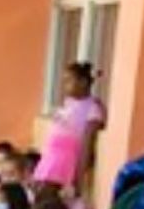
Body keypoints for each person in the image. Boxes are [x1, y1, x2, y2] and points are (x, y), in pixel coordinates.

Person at [33, 62, 105, 193]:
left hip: (65, 161)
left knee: (49, 195)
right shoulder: (68, 104)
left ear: (83, 82)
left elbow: (87, 144)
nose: (64, 85)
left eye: (68, 81)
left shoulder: (92, 109)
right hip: (51, 157)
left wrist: (79, 177)